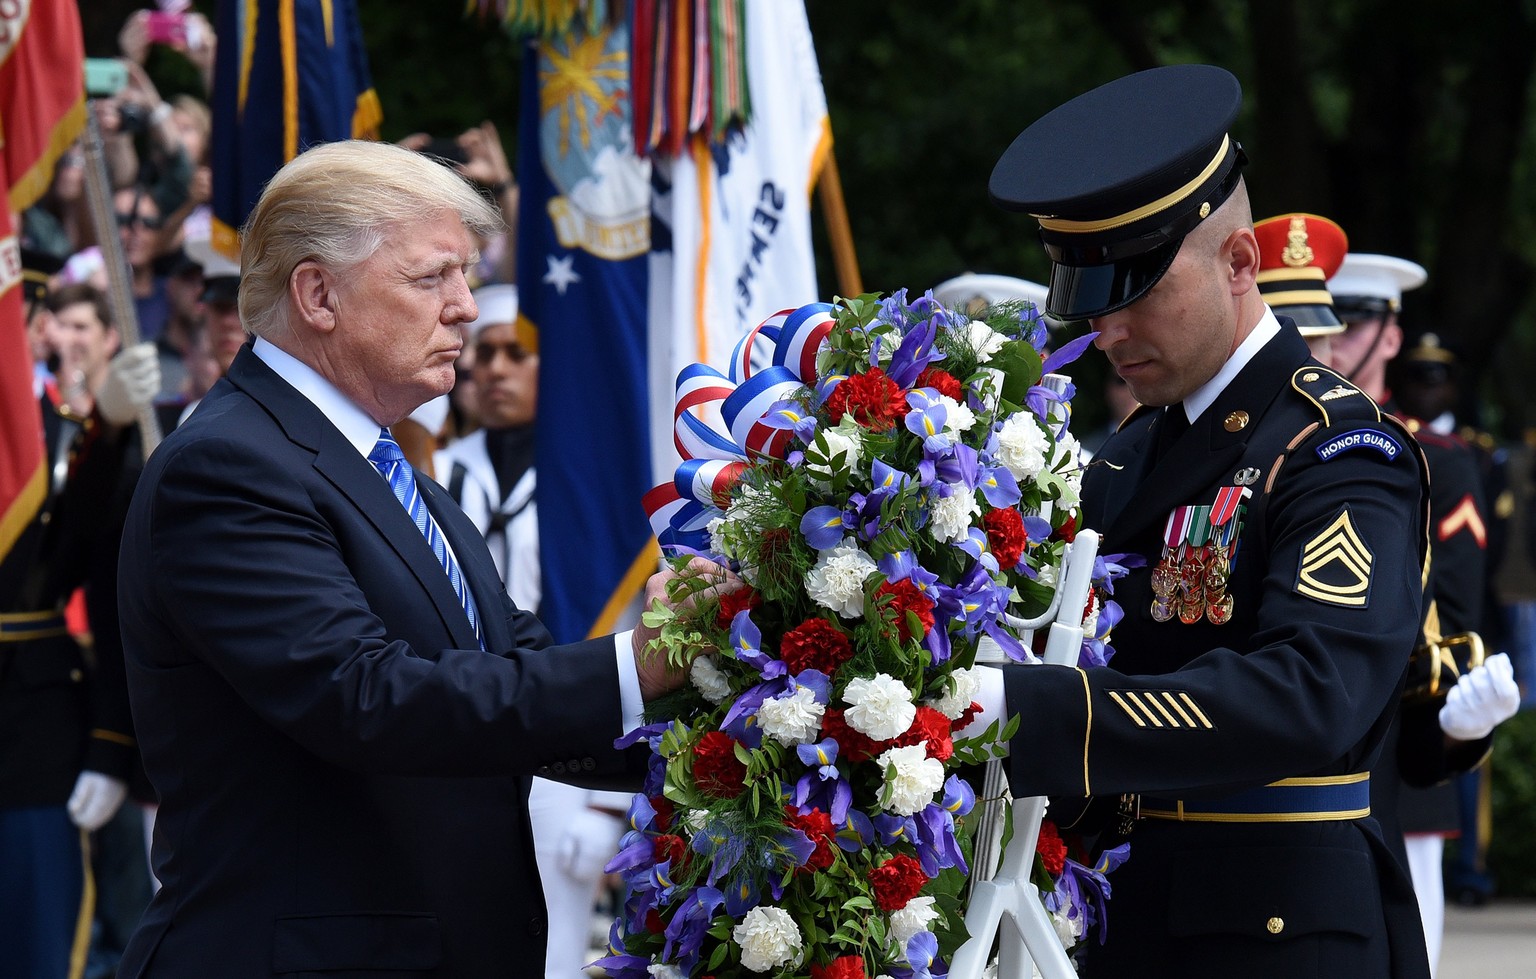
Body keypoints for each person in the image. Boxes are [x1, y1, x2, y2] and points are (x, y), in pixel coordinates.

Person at [114, 138, 720, 977]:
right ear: (318, 293)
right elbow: (365, 697)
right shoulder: (226, 466)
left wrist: (743, 708)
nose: (467, 307)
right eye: (433, 276)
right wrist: (635, 665)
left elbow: (515, 672)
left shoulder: (394, 472)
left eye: (465, 275)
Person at [981, 64, 1433, 977]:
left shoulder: (1338, 451)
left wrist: (1028, 714)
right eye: (1091, 300)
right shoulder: (1122, 457)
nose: (1106, 332)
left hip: (1276, 934)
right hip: (1125, 921)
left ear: (1239, 262)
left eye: (1137, 291)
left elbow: (1308, 690)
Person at [434, 284, 628, 977]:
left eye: (517, 352)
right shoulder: (432, 471)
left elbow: (625, 619)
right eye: (482, 352)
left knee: (554, 948)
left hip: (560, 741)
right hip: (450, 719)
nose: (494, 368)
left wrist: (607, 803)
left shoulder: (588, 486)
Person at [2, 266, 159, 979]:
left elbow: (96, 575)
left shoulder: (68, 443)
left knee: (40, 945)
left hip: (31, 732)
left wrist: (109, 739)